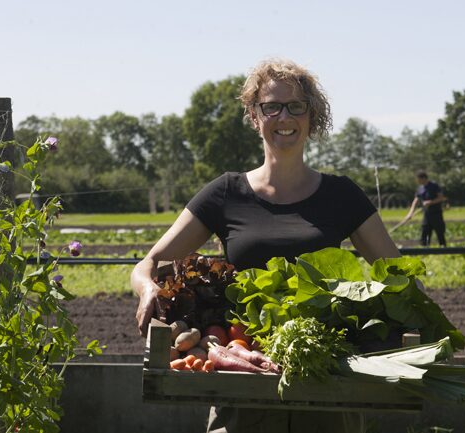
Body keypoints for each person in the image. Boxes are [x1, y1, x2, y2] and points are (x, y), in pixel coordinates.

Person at [131, 58, 401, 433]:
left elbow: (399, 272)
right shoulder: (227, 193)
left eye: (295, 106)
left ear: (311, 116)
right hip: (242, 378)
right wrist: (147, 289)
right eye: (271, 106)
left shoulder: (343, 195)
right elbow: (149, 263)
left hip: (326, 379)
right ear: (255, 117)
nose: (283, 116)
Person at [391, 171, 447, 247]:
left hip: (436, 214)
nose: (417, 181)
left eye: (418, 179)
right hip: (427, 215)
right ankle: (425, 251)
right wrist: (410, 214)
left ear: (424, 178)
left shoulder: (434, 186)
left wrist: (430, 202)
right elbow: (415, 201)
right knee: (425, 234)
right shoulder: (420, 188)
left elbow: (441, 198)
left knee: (440, 233)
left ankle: (443, 249)